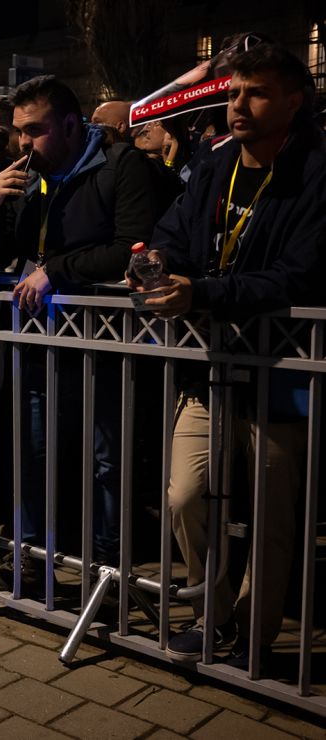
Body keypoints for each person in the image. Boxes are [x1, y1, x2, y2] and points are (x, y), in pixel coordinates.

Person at [134, 42, 326, 667]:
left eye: (257, 93)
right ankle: (213, 615)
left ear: (294, 102)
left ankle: (253, 637)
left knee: (271, 517)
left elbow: (298, 276)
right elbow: (172, 232)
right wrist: (161, 264)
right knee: (186, 496)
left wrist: (206, 292)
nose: (238, 104)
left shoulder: (317, 171)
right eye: (235, 92)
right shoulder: (217, 164)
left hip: (282, 372)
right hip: (210, 365)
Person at [0, 75, 158, 577]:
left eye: (34, 130)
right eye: (19, 132)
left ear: (72, 125)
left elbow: (131, 247)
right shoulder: (29, 178)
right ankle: (33, 558)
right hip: (41, 344)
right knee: (33, 452)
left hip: (106, 347)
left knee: (107, 463)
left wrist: (56, 270)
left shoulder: (121, 166)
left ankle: (107, 571)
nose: (23, 143)